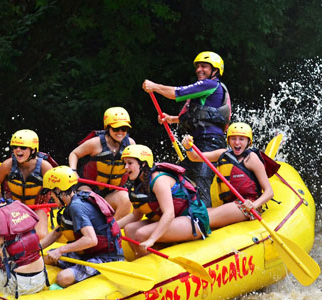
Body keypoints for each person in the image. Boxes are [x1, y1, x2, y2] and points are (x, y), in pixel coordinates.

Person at [142, 51, 231, 207]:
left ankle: (206, 220)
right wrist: (172, 119)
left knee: (202, 180)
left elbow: (177, 93)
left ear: (215, 70)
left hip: (211, 144)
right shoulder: (204, 90)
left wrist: (154, 87)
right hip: (197, 145)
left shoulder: (210, 85)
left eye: (204, 66)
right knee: (178, 176)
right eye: (198, 67)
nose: (199, 70)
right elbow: (196, 115)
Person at [117, 145, 211, 258]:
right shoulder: (139, 184)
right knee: (129, 229)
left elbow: (169, 213)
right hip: (175, 220)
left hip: (193, 219)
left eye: (130, 163)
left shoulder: (159, 181)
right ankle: (145, 262)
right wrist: (111, 226)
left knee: (141, 234)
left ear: (143, 164)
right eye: (125, 163)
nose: (126, 167)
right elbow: (136, 215)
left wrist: (152, 239)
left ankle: (157, 267)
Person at [39, 166, 124, 288]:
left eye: (51, 192)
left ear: (58, 190)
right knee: (45, 257)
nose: (50, 196)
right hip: (87, 254)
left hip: (106, 258)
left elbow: (91, 239)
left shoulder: (76, 207)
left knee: (63, 278)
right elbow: (58, 232)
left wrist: (60, 250)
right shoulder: (71, 202)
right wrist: (36, 249)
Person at [181, 122, 275, 228]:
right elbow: (195, 157)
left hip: (246, 206)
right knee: (192, 213)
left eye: (241, 139)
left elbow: (269, 192)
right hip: (229, 205)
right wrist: (188, 148)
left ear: (248, 141)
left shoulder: (251, 158)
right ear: (228, 140)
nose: (237, 142)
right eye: (233, 138)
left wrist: (254, 205)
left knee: (201, 217)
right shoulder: (223, 153)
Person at [68, 107, 135, 219]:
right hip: (88, 188)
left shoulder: (130, 144)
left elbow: (135, 165)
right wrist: (73, 171)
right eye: (116, 129)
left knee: (126, 199)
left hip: (112, 191)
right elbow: (74, 154)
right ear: (108, 128)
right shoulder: (95, 143)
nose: (120, 132)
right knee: (87, 198)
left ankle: (111, 229)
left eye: (124, 129)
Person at [0, 129, 54, 239]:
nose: (18, 150)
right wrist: (0, 205)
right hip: (13, 207)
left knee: (40, 235)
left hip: (38, 208)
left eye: (23, 147)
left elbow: (57, 190)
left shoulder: (45, 167)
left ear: (33, 150)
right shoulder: (7, 166)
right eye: (15, 147)